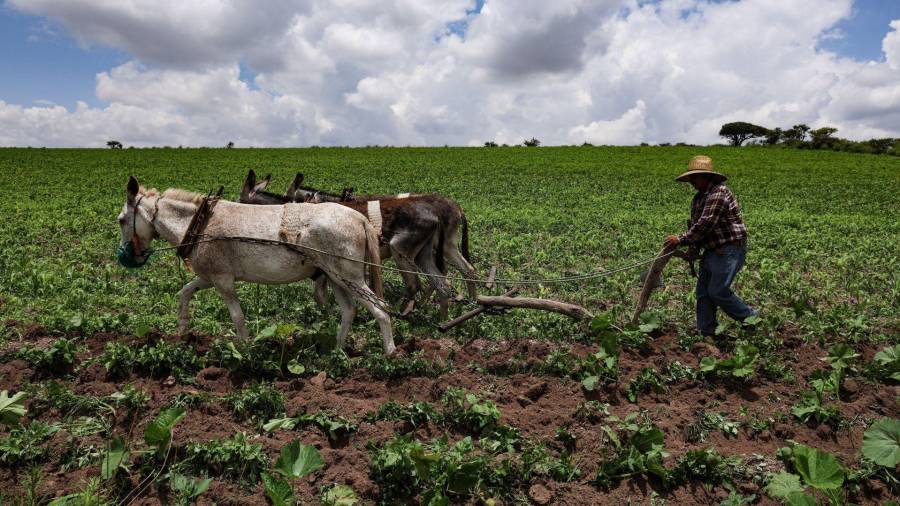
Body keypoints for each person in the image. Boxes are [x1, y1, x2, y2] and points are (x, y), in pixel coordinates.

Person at [664, 155, 756, 337]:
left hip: (729, 248)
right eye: (691, 178)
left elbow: (706, 223)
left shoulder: (719, 193)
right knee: (703, 294)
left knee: (718, 290)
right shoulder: (698, 199)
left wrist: (681, 239)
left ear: (706, 176)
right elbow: (697, 228)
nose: (691, 181)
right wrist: (692, 250)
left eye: (695, 177)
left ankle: (751, 319)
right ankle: (706, 333)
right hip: (712, 250)